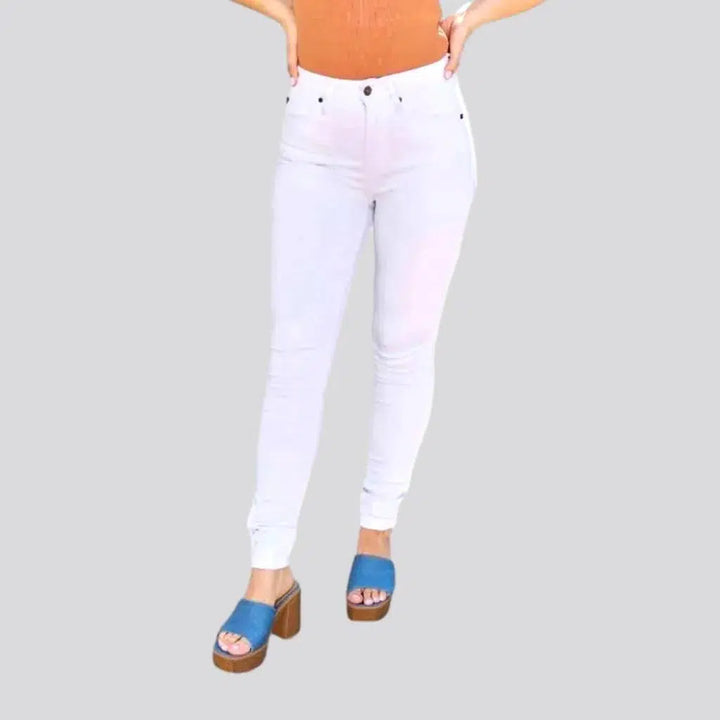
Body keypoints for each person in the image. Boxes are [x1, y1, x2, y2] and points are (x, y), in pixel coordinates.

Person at [213, 0, 545, 673]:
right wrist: (284, 15)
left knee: (404, 346)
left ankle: (377, 531)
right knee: (294, 360)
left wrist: (473, 18)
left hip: (425, 123)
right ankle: (268, 570)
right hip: (318, 125)